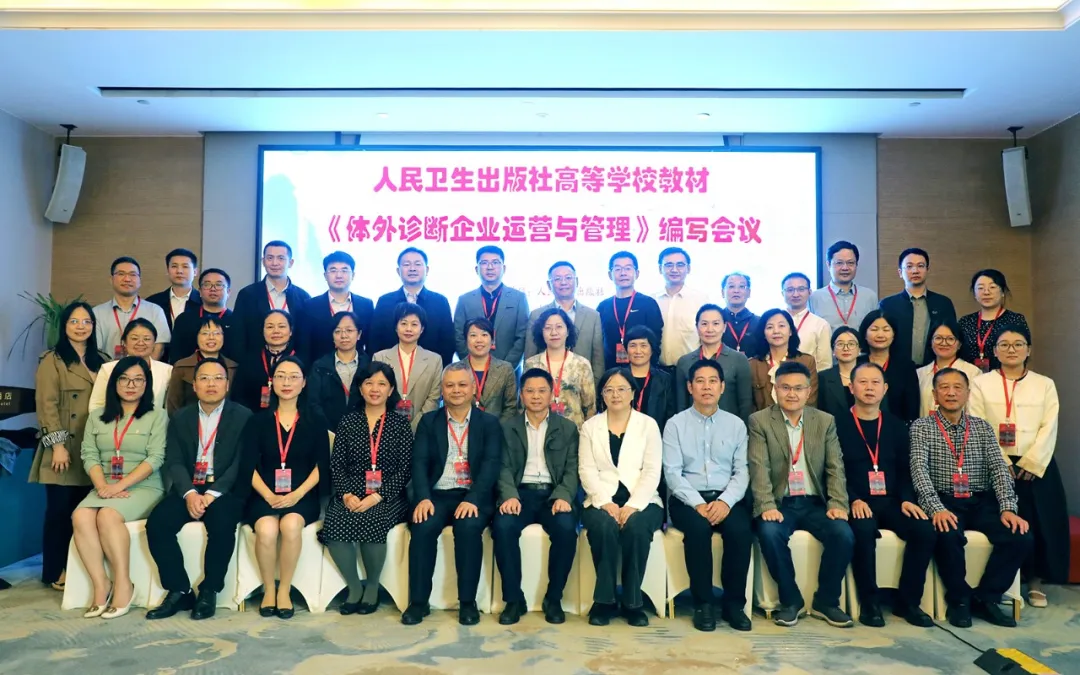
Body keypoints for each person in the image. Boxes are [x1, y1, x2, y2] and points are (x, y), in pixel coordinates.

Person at [909, 368, 1032, 628]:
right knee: (947, 534)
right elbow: (919, 471)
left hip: (979, 500)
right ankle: (959, 601)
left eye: (957, 387)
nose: (951, 393)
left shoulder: (982, 427)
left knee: (1020, 536)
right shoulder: (921, 427)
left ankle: (987, 597)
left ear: (967, 393)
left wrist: (1008, 508)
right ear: (935, 395)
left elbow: (999, 469)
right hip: (945, 500)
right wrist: (935, 508)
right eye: (944, 387)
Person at [145, 358, 254, 621]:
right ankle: (179, 590)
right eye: (204, 378)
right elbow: (174, 460)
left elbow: (241, 463)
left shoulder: (244, 416)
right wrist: (190, 493)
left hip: (225, 491)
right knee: (157, 524)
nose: (211, 384)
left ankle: (209, 590)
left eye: (218, 378)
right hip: (189, 488)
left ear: (227, 385)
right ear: (194, 385)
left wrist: (212, 494)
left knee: (222, 524)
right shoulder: (181, 417)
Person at [748, 360, 854, 628]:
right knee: (769, 533)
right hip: (780, 502)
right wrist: (766, 505)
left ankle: (826, 601)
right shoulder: (760, 421)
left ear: (808, 391)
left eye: (798, 388)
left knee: (843, 534)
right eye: (785, 387)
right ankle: (791, 600)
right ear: (775, 390)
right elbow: (759, 467)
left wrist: (838, 503)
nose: (792, 394)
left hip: (815, 502)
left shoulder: (824, 421)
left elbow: (835, 466)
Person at [968, 327, 1068, 607]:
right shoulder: (980, 383)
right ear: (995, 350)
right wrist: (999, 461)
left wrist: (1033, 461)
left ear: (1028, 349)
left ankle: (1035, 582)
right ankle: (1002, 582)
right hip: (994, 463)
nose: (1011, 349)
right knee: (1002, 521)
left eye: (1018, 344)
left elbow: (1050, 425)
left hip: (1035, 464)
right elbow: (977, 421)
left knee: (1039, 522)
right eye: (1004, 344)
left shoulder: (1044, 384)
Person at [402, 362, 503, 626]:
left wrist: (473, 499)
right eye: (449, 385)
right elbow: (419, 463)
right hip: (436, 494)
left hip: (472, 495)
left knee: (468, 528)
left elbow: (491, 465)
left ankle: (467, 603)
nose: (456, 390)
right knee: (422, 526)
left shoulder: (489, 423)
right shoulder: (429, 421)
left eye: (462, 384)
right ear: (442, 389)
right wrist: (423, 497)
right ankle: (418, 602)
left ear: (473, 389)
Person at [837, 362, 936, 627]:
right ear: (851, 387)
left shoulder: (896, 426)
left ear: (885, 388)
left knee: (924, 531)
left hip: (892, 501)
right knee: (862, 530)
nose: (869, 388)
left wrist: (906, 499)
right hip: (857, 500)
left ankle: (908, 602)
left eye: (875, 383)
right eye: (863, 382)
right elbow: (832, 470)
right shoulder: (836, 424)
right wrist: (852, 498)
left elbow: (906, 469)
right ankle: (870, 603)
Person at [662, 359, 753, 632]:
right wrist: (698, 504)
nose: (706, 387)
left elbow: (742, 471)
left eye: (713, 381)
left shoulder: (736, 425)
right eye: (700, 381)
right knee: (698, 531)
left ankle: (734, 604)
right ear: (690, 387)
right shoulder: (675, 424)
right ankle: (703, 604)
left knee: (740, 531)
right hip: (688, 499)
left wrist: (725, 501)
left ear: (722, 387)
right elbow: (672, 473)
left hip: (727, 497)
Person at [73, 356, 167, 619]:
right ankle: (101, 584)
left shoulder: (157, 416)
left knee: (108, 515)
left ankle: (124, 584)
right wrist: (103, 486)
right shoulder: (96, 417)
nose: (131, 385)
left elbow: (155, 458)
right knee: (80, 516)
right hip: (104, 484)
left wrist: (119, 487)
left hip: (145, 486)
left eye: (138, 380)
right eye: (124, 379)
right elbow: (89, 455)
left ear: (147, 384)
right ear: (114, 383)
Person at [322, 361, 414, 615]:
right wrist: (346, 494)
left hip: (388, 495)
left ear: (391, 390)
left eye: (382, 384)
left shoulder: (399, 424)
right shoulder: (348, 421)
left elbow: (405, 469)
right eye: (369, 383)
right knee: (335, 521)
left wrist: (378, 496)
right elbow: (337, 464)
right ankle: (354, 587)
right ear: (360, 388)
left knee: (374, 519)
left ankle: (372, 586)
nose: (375, 389)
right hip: (351, 491)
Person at [30, 302, 109, 592]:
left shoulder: (102, 360)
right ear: (64, 326)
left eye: (86, 321)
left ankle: (81, 570)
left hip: (93, 447)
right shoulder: (52, 360)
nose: (80, 326)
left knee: (84, 513)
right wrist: (57, 446)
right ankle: (54, 570)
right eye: (74, 321)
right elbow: (46, 406)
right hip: (64, 448)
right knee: (59, 513)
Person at [493, 368, 580, 626]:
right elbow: (502, 467)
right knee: (503, 527)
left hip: (553, 495)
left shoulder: (567, 428)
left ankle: (554, 598)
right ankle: (513, 600)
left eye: (542, 390)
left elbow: (573, 468)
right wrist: (509, 495)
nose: (536, 396)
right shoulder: (507, 428)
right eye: (529, 391)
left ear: (552, 394)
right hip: (519, 494)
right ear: (521, 395)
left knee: (566, 529)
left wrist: (563, 496)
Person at [245, 356, 330, 619]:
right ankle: (269, 589)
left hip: (302, 494)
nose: (287, 382)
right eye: (281, 376)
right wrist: (268, 495)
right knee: (267, 529)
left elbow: (323, 464)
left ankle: (285, 589)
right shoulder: (258, 420)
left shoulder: (315, 420)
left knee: (291, 525)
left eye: (294, 377)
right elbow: (248, 465)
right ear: (272, 382)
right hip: (265, 493)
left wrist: (297, 494)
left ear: (304, 383)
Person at [579, 368, 664, 628]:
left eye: (621, 389)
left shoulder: (647, 425)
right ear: (602, 395)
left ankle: (632, 602)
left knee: (636, 528)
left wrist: (633, 505)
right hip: (600, 498)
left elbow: (652, 470)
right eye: (609, 389)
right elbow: (586, 470)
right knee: (604, 527)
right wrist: (604, 502)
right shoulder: (590, 427)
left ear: (632, 393)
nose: (615, 394)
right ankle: (604, 602)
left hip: (644, 500)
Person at [369, 247, 456, 366]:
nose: (412, 268)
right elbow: (374, 340)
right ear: (398, 271)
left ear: (427, 270)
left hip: (430, 370)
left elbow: (448, 342)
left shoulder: (440, 301)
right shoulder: (385, 301)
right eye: (406, 264)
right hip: (390, 369)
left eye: (417, 264)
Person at [524, 261, 605, 384]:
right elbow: (530, 355)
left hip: (582, 385)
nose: (563, 282)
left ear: (576, 281)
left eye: (568, 277)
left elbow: (598, 360)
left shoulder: (593, 316)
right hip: (545, 386)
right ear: (549, 284)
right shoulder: (536, 315)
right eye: (557, 279)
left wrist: (595, 388)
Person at [452, 245, 530, 367]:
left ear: (504, 268)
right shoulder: (465, 300)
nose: (490, 267)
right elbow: (459, 336)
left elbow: (522, 336)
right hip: (471, 370)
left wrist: (506, 367)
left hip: (509, 369)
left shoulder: (519, 298)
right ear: (476, 269)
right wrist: (472, 364)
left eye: (495, 262)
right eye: (484, 263)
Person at [879, 248, 957, 368]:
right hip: (897, 368)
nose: (915, 271)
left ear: (927, 270)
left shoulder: (943, 303)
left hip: (935, 368)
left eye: (920, 266)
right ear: (900, 272)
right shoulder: (887, 305)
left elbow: (953, 337)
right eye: (909, 266)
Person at [674, 304, 753, 422]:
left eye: (716, 323)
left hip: (729, 428)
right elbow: (681, 405)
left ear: (724, 327)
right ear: (697, 327)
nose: (710, 329)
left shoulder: (739, 360)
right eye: (704, 324)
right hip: (693, 428)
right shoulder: (684, 362)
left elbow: (745, 404)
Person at [232, 240, 312, 357]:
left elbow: (306, 337)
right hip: (256, 362)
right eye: (270, 258)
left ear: (290, 263)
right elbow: (238, 335)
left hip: (294, 363)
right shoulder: (247, 295)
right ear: (263, 261)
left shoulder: (303, 297)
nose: (275, 263)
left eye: (281, 258)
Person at [372, 303, 443, 432]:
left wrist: (414, 428)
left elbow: (434, 398)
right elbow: (376, 394)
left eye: (414, 324)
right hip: (386, 429)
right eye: (403, 323)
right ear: (396, 327)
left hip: (423, 429)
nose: (408, 329)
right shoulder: (380, 357)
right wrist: (393, 426)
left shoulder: (435, 360)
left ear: (422, 329)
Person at [522, 307, 596, 430]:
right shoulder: (532, 364)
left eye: (559, 327)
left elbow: (590, 408)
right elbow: (524, 404)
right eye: (548, 328)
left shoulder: (581, 364)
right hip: (539, 431)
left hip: (575, 432)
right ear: (541, 332)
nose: (554, 332)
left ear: (568, 331)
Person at [298, 250, 375, 365]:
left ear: (353, 275)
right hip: (320, 369)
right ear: (325, 275)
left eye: (344, 270)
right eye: (333, 270)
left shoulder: (366, 305)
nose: (339, 275)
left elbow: (370, 342)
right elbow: (304, 346)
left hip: (358, 369)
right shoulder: (310, 306)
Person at [93, 256, 170, 361]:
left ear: (139, 280)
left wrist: (143, 369)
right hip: (107, 369)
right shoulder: (97, 313)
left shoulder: (155, 311)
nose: (127, 279)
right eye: (121, 274)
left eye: (132, 274)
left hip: (145, 370)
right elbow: (95, 350)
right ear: (111, 279)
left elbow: (158, 348)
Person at [597, 251, 664, 371]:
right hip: (611, 370)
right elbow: (598, 343)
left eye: (628, 268)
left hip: (642, 370)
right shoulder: (603, 306)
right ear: (610, 274)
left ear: (637, 273)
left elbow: (655, 341)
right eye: (618, 269)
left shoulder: (649, 304)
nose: (623, 273)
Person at [307, 311, 371, 432]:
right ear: (332, 336)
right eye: (337, 331)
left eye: (349, 330)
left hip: (364, 432)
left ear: (359, 334)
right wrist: (329, 431)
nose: (343, 335)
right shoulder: (320, 366)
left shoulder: (370, 365)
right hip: (327, 433)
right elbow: (313, 403)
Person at [957, 269, 1031, 373]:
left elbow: (1022, 352)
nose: (986, 292)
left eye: (992, 287)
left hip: (1004, 378)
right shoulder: (965, 322)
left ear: (1003, 292)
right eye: (980, 288)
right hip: (969, 378)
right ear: (974, 294)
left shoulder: (1015, 320)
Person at [90, 319, 173, 411]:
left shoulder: (167, 370)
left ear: (154, 343)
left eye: (146, 339)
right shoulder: (108, 369)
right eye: (134, 338)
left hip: (155, 420)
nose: (140, 343)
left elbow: (169, 407)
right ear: (124, 342)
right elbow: (96, 405)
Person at [747, 309, 818, 412]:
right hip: (762, 421)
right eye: (770, 327)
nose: (776, 331)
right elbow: (750, 405)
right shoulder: (752, 365)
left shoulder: (806, 361)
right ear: (763, 333)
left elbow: (810, 401)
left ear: (790, 331)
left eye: (781, 326)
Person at [166, 315, 239, 415]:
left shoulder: (233, 367)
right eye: (205, 333)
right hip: (190, 422)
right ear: (196, 336)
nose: (211, 337)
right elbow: (173, 404)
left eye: (217, 333)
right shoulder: (182, 367)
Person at [857, 310, 920, 423]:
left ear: (894, 334)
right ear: (865, 334)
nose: (880, 335)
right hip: (859, 425)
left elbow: (912, 406)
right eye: (874, 329)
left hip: (896, 426)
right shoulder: (857, 364)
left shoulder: (906, 366)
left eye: (886, 330)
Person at [654, 247, 710, 367]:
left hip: (691, 369)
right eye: (669, 265)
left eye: (680, 265)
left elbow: (708, 337)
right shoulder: (652, 301)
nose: (674, 270)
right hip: (657, 369)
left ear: (688, 268)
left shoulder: (701, 300)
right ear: (660, 269)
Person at [232, 310, 297, 412]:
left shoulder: (301, 361)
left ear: (291, 331)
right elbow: (238, 395)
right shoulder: (249, 360)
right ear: (263, 331)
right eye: (270, 327)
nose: (276, 331)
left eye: (281, 326)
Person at [915, 320, 983, 418]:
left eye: (950, 339)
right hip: (924, 427)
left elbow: (974, 411)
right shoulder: (919, 374)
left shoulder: (973, 372)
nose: (943, 343)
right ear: (931, 342)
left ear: (959, 344)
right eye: (938, 338)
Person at [169, 268, 237, 365]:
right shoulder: (184, 319)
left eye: (219, 285)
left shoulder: (236, 321)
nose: (213, 289)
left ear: (228, 292)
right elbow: (176, 355)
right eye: (207, 284)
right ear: (200, 291)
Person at [809, 241, 878, 333]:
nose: (845, 268)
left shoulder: (869, 296)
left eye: (850, 263)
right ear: (828, 265)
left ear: (856, 265)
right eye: (839, 263)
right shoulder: (814, 298)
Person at [145, 248, 200, 363]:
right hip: (159, 363)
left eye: (185, 266)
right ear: (168, 270)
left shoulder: (203, 302)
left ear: (195, 272)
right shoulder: (152, 303)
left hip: (193, 365)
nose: (179, 271)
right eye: (174, 266)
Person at [460, 318, 518, 423]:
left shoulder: (506, 369)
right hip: (462, 429)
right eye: (473, 335)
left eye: (484, 335)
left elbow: (511, 407)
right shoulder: (455, 370)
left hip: (498, 429)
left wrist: (495, 429)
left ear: (492, 340)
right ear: (466, 340)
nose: (479, 340)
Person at [623, 326, 676, 434]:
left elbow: (670, 415)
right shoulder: (617, 378)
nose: (638, 351)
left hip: (655, 437)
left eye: (643, 345)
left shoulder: (665, 380)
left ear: (652, 350)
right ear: (626, 350)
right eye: (633, 345)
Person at [782, 272, 832, 372]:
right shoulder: (773, 322)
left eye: (801, 289)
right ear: (782, 293)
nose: (795, 294)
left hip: (808, 378)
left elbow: (824, 364)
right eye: (790, 290)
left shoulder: (821, 324)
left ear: (809, 292)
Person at [816, 327, 859, 418]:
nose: (846, 348)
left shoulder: (871, 375)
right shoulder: (822, 377)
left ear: (859, 349)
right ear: (833, 350)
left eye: (851, 344)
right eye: (840, 344)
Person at [719, 272, 758, 353]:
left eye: (741, 286)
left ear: (749, 292)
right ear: (722, 292)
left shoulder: (759, 322)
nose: (736, 291)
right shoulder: (715, 320)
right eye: (731, 286)